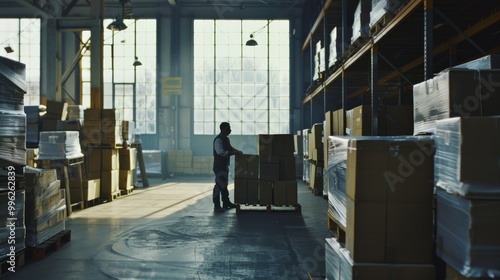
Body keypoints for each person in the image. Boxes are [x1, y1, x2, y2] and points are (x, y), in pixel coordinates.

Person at [213, 122, 243, 212]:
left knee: (224, 184)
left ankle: (226, 203)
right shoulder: (218, 140)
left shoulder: (226, 139)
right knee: (219, 185)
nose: (230, 130)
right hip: (219, 166)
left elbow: (230, 148)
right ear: (223, 129)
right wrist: (234, 153)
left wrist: (237, 151)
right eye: (228, 128)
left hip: (224, 165)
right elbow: (220, 152)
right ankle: (217, 205)